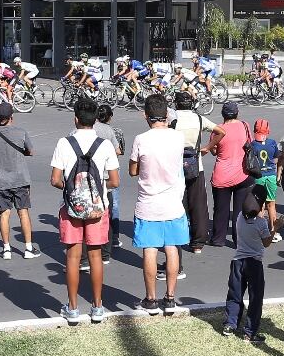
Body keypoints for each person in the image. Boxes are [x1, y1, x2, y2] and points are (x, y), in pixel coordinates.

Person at [48, 98, 120, 325]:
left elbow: (55, 180)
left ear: (76, 119)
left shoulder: (64, 143)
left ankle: (72, 308)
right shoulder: (105, 144)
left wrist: (73, 190)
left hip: (71, 208)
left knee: (73, 256)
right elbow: (115, 182)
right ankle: (97, 306)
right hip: (98, 208)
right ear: (95, 120)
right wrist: (94, 191)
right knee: (96, 255)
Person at [129, 94, 189, 315]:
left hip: (148, 203)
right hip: (173, 203)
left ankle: (151, 299)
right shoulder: (178, 137)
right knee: (172, 248)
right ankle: (170, 298)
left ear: (146, 116)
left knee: (150, 250)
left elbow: (133, 170)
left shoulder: (141, 139)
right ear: (166, 115)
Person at [0, 101, 37, 260]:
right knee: (23, 213)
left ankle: (6, 249)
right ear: (11, 117)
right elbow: (30, 151)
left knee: (4, 214)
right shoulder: (21, 132)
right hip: (20, 179)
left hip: (0, 180)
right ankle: (28, 248)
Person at [168, 91, 216, 255]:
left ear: (177, 104)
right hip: (196, 164)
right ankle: (198, 243)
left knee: (178, 203)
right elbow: (220, 131)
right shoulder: (199, 119)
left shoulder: (172, 120)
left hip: (176, 165)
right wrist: (207, 148)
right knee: (198, 204)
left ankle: (178, 237)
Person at [224, 190, 272, 343]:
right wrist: (275, 228)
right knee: (255, 298)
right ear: (261, 207)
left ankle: (230, 324)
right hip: (254, 264)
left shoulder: (239, 218)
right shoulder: (261, 223)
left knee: (235, 294)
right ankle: (249, 332)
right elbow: (267, 242)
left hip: (238, 261)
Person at [208, 101, 251, 249]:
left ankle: (218, 238)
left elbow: (213, 151)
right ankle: (238, 239)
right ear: (237, 113)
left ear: (223, 114)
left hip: (222, 175)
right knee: (239, 210)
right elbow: (248, 144)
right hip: (242, 173)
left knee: (221, 209)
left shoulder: (217, 130)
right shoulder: (245, 126)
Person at [94, 103, 125, 263]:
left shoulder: (90, 128)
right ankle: (113, 238)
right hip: (108, 172)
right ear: (109, 117)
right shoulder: (109, 131)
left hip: (93, 173)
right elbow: (117, 150)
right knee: (112, 206)